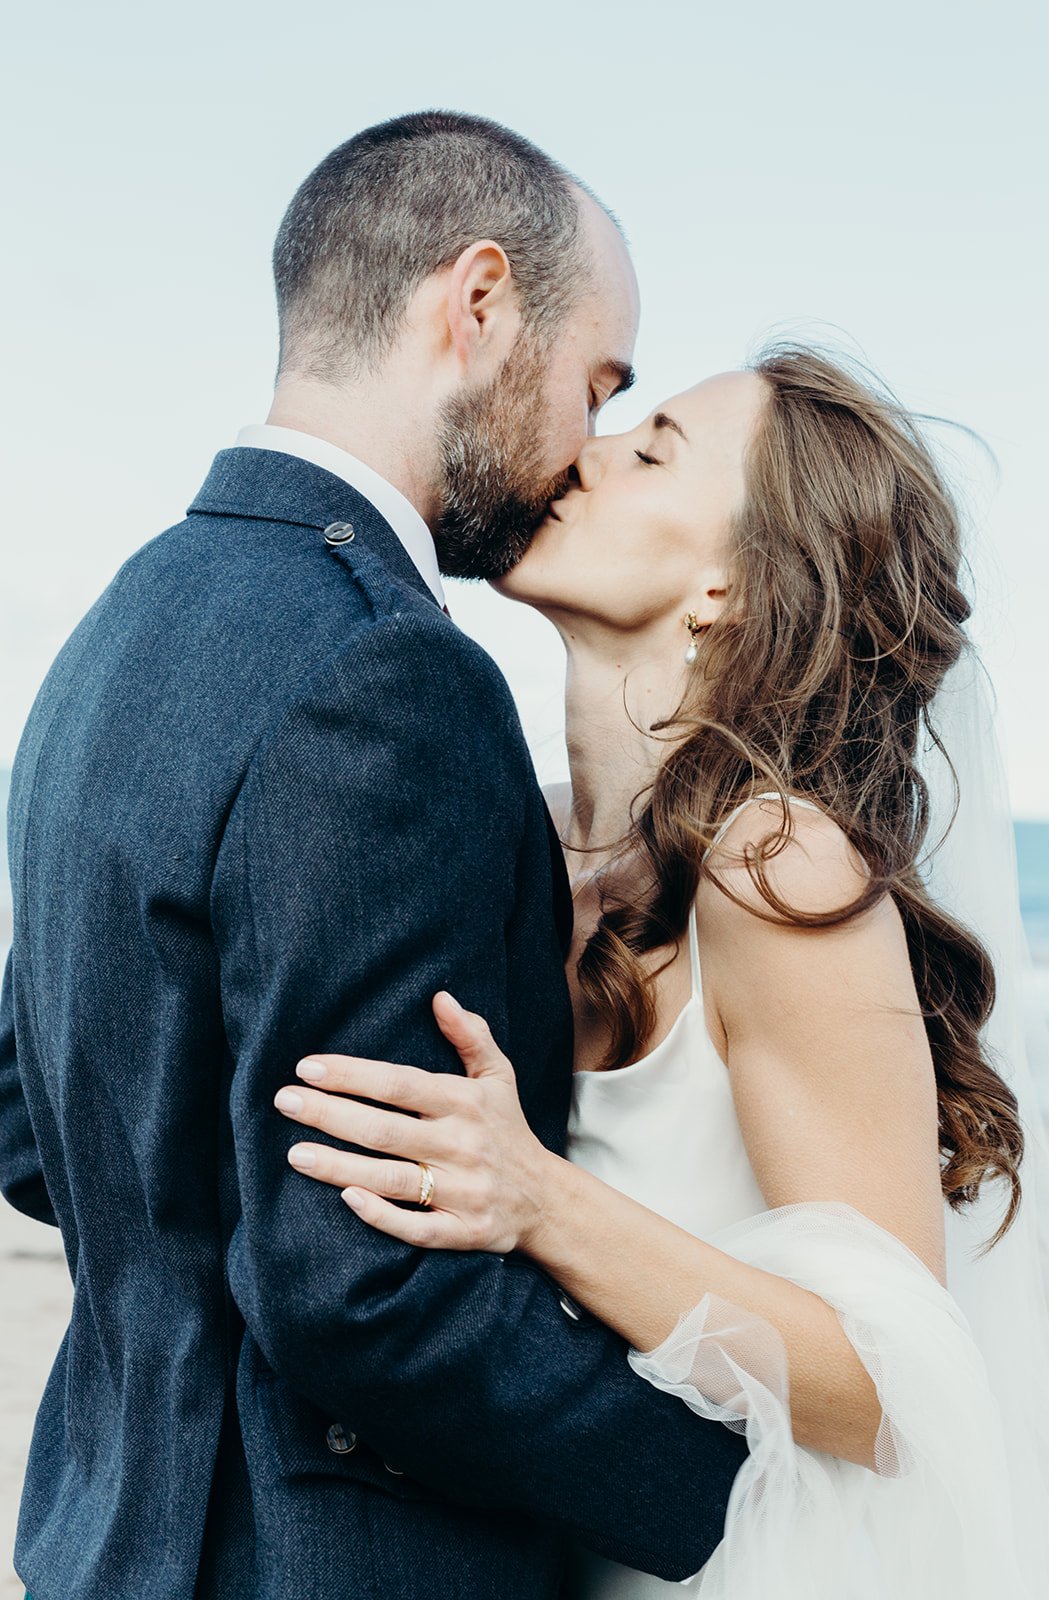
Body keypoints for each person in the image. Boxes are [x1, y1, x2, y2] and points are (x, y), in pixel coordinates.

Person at [0, 112, 752, 1600]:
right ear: (476, 304)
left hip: (103, 1543)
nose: (580, 448)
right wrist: (728, 1497)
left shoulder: (116, 632)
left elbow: (36, 1121)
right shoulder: (388, 673)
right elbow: (362, 1293)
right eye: (594, 382)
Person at [275, 348, 1049, 1596]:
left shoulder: (775, 863)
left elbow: (890, 1385)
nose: (580, 454)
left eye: (647, 452)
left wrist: (538, 1200)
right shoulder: (517, 833)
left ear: (729, 591)